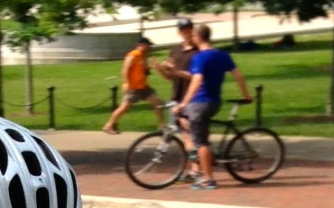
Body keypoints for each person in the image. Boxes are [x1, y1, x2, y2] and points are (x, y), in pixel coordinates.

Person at [173, 24, 252, 190]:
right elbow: (239, 75)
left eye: (193, 35)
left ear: (198, 37)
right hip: (214, 102)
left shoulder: (200, 57)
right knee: (181, 119)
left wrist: (184, 102)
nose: (192, 38)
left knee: (201, 142)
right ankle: (201, 154)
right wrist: (246, 95)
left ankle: (208, 179)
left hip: (200, 102)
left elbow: (196, 81)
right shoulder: (222, 55)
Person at [161, 19, 200, 180]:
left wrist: (176, 71)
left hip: (192, 97)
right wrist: (162, 69)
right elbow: (170, 77)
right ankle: (194, 169)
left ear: (192, 29)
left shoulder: (198, 51)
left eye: (188, 28)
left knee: (189, 135)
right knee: (187, 136)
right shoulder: (176, 50)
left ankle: (196, 170)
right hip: (177, 97)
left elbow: (196, 77)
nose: (185, 32)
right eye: (182, 29)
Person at [102, 37, 166, 134]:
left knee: (157, 102)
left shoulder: (143, 56)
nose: (149, 47)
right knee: (124, 108)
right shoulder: (133, 55)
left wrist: (149, 68)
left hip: (143, 87)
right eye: (148, 45)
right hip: (133, 88)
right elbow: (125, 70)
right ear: (141, 45)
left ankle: (162, 126)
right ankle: (108, 126)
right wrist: (126, 83)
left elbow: (144, 71)